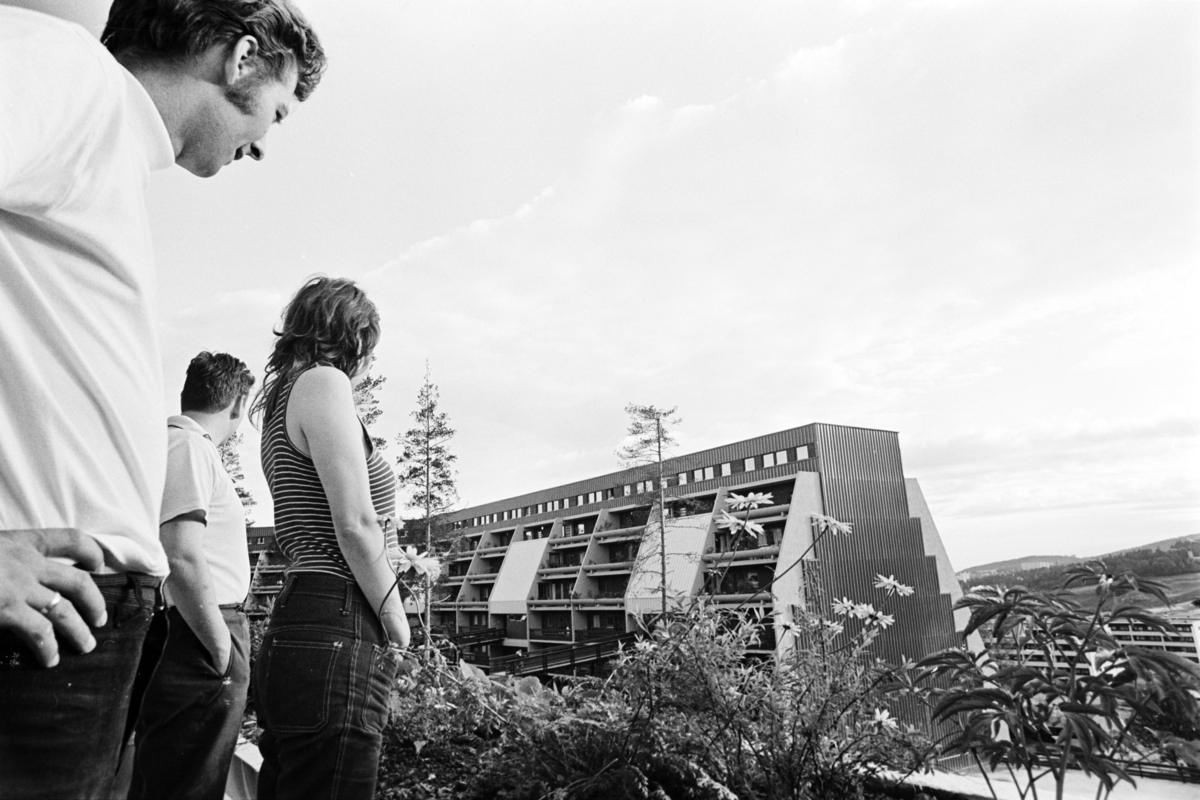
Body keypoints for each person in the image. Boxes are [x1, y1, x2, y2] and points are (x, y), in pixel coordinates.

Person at [0, 2, 324, 797]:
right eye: (277, 113)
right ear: (242, 57)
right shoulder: (67, 73)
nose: (260, 149)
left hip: (76, 617)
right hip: (40, 611)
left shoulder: (104, 144)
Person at [252, 276, 410, 800]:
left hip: (302, 619)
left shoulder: (280, 401)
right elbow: (356, 524)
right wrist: (398, 622)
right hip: (337, 617)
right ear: (353, 336)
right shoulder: (323, 383)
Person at [128, 352, 256, 800]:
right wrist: (221, 646)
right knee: (190, 783)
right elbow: (180, 553)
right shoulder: (189, 445)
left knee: (167, 777)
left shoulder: (168, 445)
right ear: (238, 404)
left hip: (188, 626)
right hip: (201, 627)